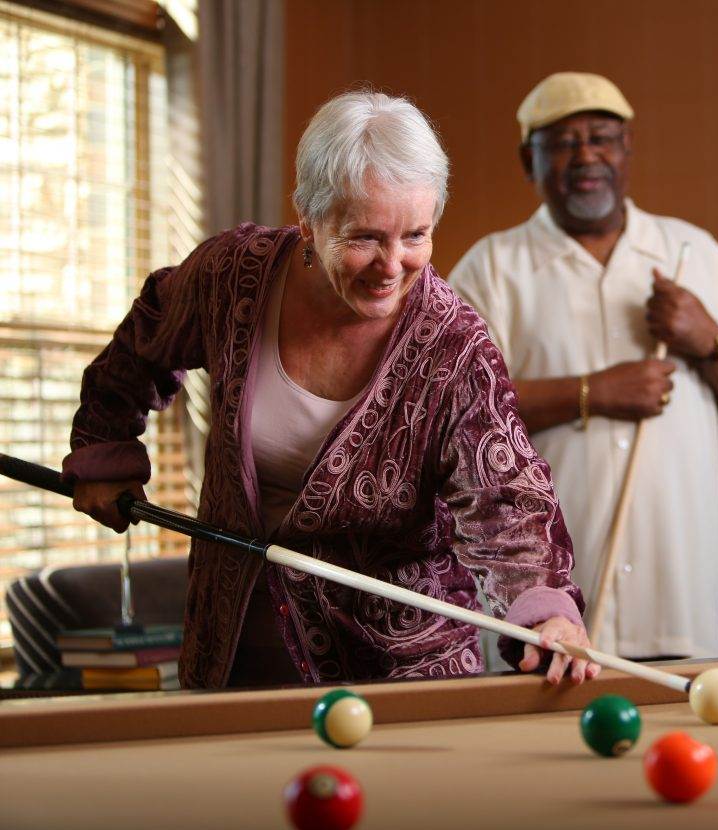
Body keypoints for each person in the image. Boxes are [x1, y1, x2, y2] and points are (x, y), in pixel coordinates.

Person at [62, 90, 598, 689]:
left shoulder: (455, 348)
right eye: (364, 237)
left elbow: (507, 501)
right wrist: (104, 447)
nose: (392, 265)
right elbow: (144, 339)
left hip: (397, 671)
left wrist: (548, 615)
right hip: (232, 644)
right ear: (308, 218)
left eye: (416, 235)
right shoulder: (233, 275)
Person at [449, 72, 718, 660]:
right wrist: (593, 392)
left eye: (602, 137)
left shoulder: (693, 254)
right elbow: (453, 414)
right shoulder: (492, 267)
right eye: (562, 142)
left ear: (627, 149)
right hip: (543, 614)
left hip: (678, 609)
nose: (586, 155)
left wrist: (710, 339)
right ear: (527, 161)